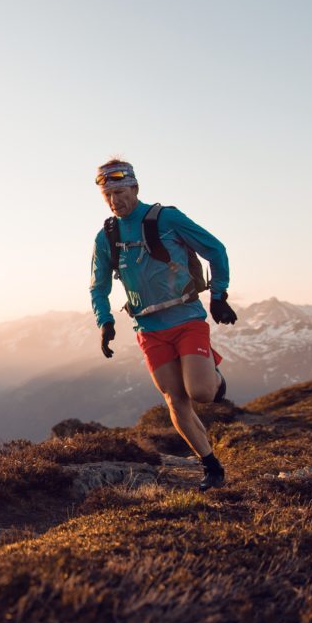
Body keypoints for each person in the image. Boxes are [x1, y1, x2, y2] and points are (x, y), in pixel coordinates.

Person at [88, 159, 238, 491]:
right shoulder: (106, 237)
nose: (115, 200)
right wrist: (105, 321)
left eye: (120, 192)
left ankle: (213, 372)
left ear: (135, 189)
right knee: (174, 399)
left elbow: (216, 249)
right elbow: (98, 286)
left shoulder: (167, 218)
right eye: (108, 195)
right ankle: (210, 465)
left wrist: (218, 293)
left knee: (201, 393)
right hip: (148, 329)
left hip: (186, 319)